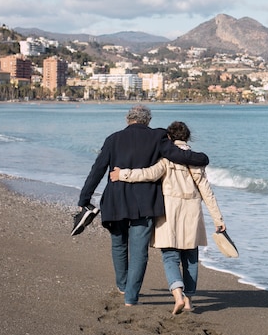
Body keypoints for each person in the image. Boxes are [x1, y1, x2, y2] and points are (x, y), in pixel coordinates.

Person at [77, 105, 209, 306]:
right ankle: (131, 297)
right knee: (139, 252)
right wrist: (203, 158)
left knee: (118, 244)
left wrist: (84, 200)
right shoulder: (158, 138)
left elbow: (97, 170)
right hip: (144, 203)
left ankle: (122, 286)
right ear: (148, 120)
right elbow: (181, 156)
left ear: (128, 119)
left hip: (115, 200)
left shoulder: (113, 139)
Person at [109, 121, 225, 314]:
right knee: (191, 257)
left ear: (169, 138)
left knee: (170, 256)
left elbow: (147, 174)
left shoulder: (166, 160)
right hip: (191, 213)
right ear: (187, 138)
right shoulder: (197, 162)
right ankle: (188, 300)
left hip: (169, 214)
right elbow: (207, 192)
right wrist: (218, 219)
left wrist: (123, 174)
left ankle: (177, 295)